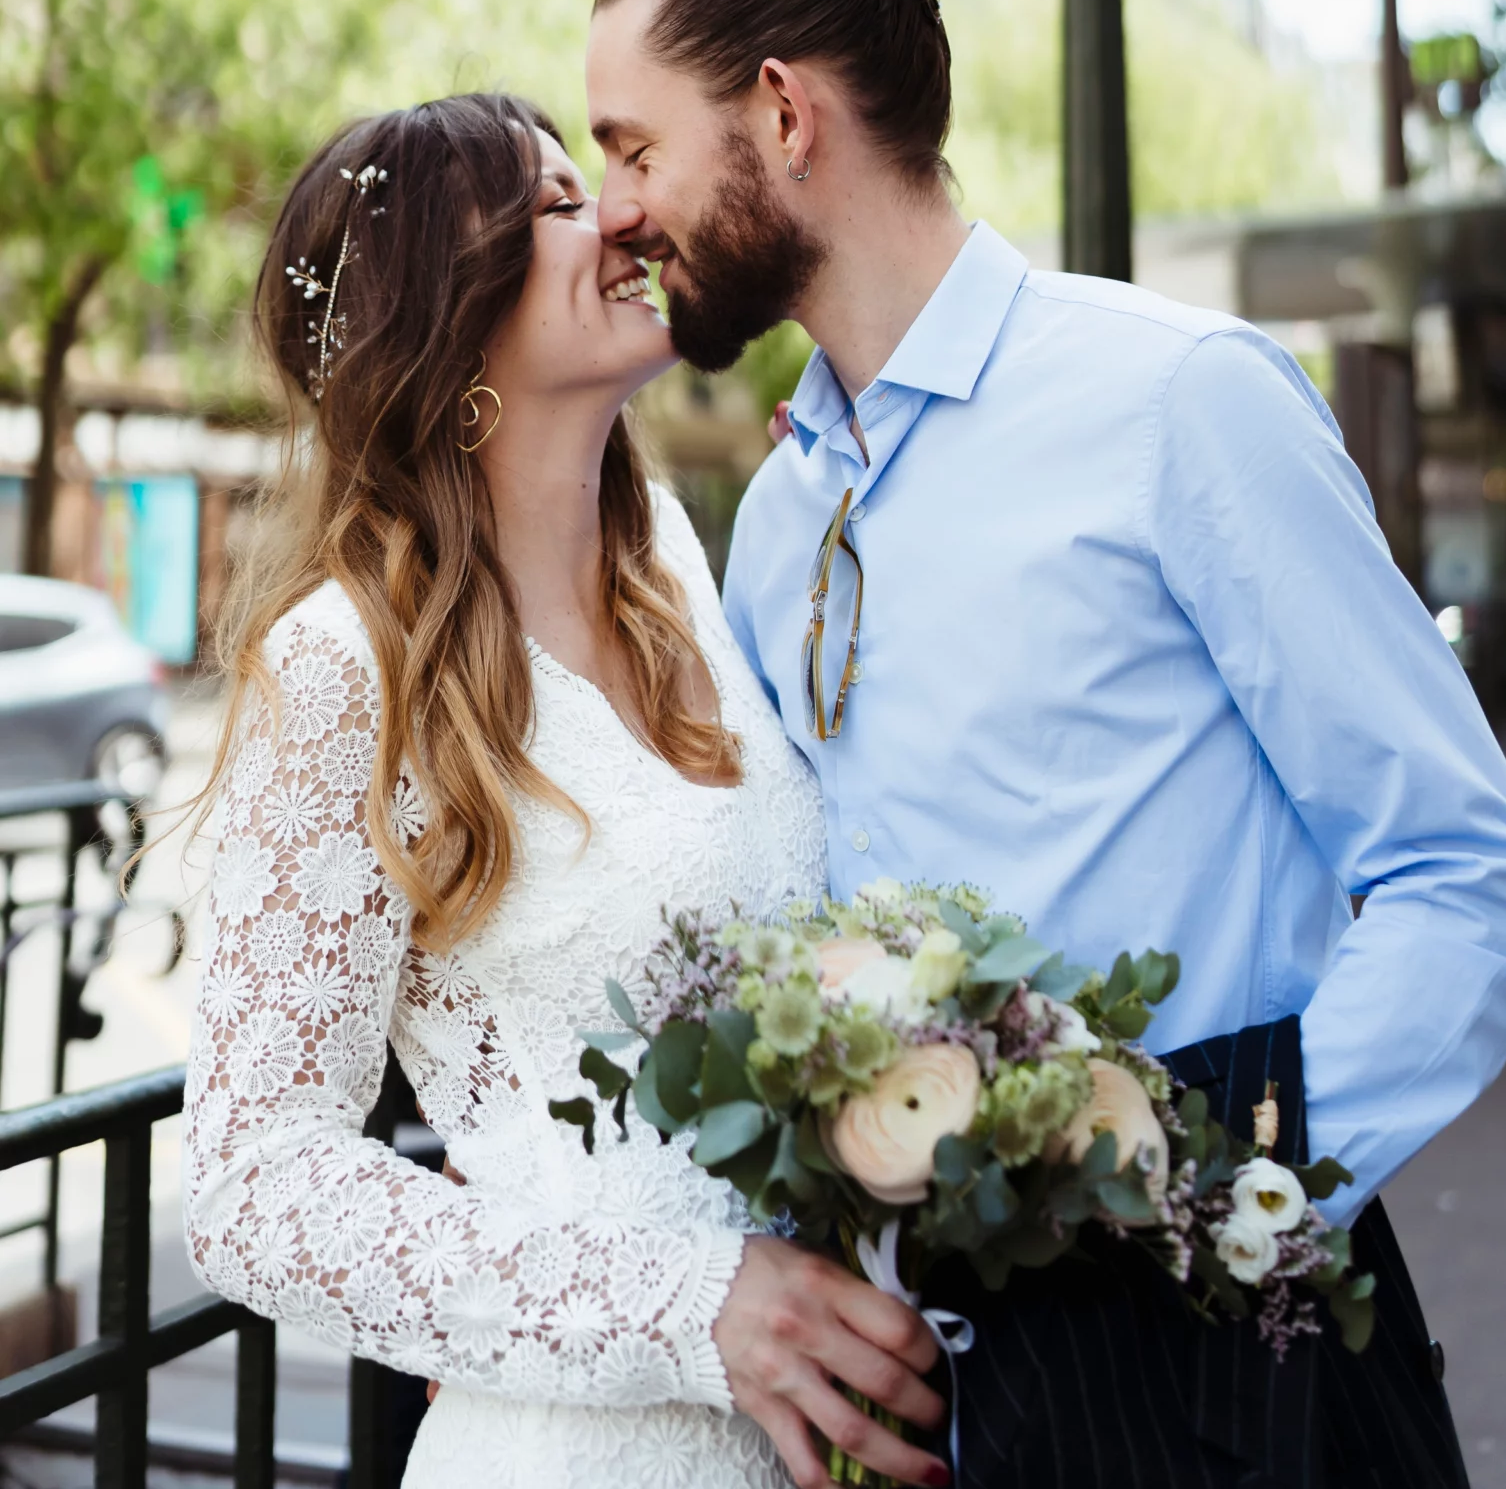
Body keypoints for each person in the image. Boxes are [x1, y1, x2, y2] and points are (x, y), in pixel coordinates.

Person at [586, 0, 1506, 1489]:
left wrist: (1200, 1198)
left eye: (630, 147)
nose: (612, 206)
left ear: (779, 112)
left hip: (1229, 1376)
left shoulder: (1179, 401)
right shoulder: (778, 518)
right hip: (930, 1412)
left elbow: (1473, 884)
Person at [182, 94, 947, 1489]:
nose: (617, 217)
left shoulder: (684, 583)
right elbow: (252, 1188)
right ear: (445, 316)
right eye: (547, 203)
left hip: (829, 1424)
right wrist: (688, 1305)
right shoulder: (348, 665)